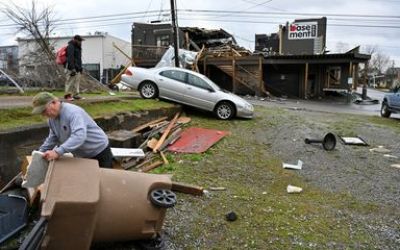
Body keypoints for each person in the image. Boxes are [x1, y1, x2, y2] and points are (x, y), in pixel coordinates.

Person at [32, 92, 113, 168]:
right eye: (41, 112)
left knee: (103, 179)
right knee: (86, 180)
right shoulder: (51, 119)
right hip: (81, 154)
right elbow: (53, 138)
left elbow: (79, 136)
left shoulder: (73, 112)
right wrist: (40, 154)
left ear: (54, 102)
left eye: (44, 110)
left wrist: (57, 152)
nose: (43, 114)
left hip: (99, 150)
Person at [64, 35, 84, 101]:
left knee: (76, 82)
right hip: (71, 68)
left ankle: (76, 95)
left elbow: (79, 59)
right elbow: (70, 58)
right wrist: (72, 68)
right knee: (70, 82)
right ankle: (67, 96)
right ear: (75, 39)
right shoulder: (70, 46)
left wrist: (80, 68)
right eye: (79, 41)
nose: (80, 42)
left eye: (81, 41)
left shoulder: (78, 47)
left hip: (78, 67)